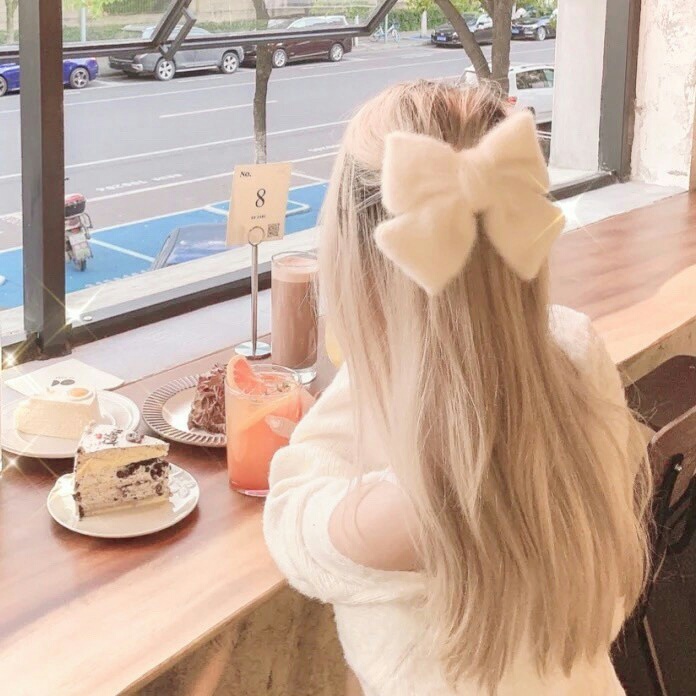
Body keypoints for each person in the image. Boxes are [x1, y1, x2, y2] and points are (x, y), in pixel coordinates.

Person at [263, 81, 652, 695]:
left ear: (358, 271)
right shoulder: (578, 352)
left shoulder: (407, 514)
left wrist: (377, 341)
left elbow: (291, 518)